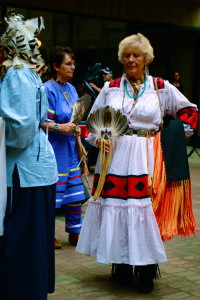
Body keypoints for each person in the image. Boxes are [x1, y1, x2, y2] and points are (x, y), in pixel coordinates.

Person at [76, 33, 198, 293]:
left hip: (148, 157)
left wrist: (171, 141)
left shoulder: (160, 87)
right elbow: (90, 124)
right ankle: (119, 267)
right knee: (117, 212)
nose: (131, 60)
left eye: (136, 55)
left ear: (147, 59)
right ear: (121, 59)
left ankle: (145, 272)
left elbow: (190, 111)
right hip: (115, 158)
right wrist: (99, 140)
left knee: (146, 214)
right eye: (126, 56)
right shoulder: (109, 89)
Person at [0, 11, 58, 300]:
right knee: (30, 242)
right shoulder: (27, 74)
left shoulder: (17, 75)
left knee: (22, 242)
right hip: (35, 170)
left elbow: (21, 131)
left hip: (24, 173)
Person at [42, 46, 86, 249]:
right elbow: (41, 121)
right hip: (54, 148)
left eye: (73, 63)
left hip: (70, 147)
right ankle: (46, 234)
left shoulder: (72, 88)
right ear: (55, 66)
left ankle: (75, 232)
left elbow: (76, 115)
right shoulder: (47, 89)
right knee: (54, 194)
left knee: (75, 193)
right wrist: (61, 126)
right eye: (68, 64)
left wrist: (77, 129)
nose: (72, 67)